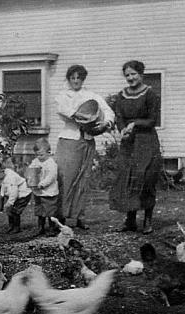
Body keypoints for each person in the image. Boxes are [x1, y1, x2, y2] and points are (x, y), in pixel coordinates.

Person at [55, 65, 114, 230]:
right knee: (65, 178)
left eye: (79, 78)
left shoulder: (91, 95)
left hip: (87, 140)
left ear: (83, 79)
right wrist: (83, 116)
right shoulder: (62, 95)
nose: (75, 81)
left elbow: (107, 110)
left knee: (83, 178)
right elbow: (64, 110)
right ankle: (61, 217)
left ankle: (79, 216)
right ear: (68, 79)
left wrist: (106, 123)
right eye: (72, 78)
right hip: (69, 140)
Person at [108, 60, 163, 235]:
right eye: (127, 75)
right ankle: (130, 220)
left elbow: (153, 120)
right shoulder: (122, 95)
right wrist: (122, 129)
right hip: (128, 143)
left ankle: (147, 220)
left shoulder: (150, 94)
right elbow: (119, 116)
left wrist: (135, 124)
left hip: (146, 141)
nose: (130, 78)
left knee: (145, 178)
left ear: (141, 75)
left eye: (134, 74)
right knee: (128, 178)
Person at [27, 138, 59, 236]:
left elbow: (51, 177)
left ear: (48, 152)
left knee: (50, 211)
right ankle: (40, 228)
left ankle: (52, 228)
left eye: (41, 155)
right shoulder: (36, 161)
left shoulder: (51, 163)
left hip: (49, 192)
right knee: (40, 210)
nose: (39, 157)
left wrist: (42, 184)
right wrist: (30, 178)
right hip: (38, 192)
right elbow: (31, 170)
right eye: (37, 154)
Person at [0, 157, 32, 234]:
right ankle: (11, 226)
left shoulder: (11, 177)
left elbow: (14, 193)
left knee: (15, 211)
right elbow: (2, 186)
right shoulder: (3, 176)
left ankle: (16, 227)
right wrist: (1, 195)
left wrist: (9, 202)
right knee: (9, 210)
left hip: (23, 194)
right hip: (14, 194)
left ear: (2, 171)